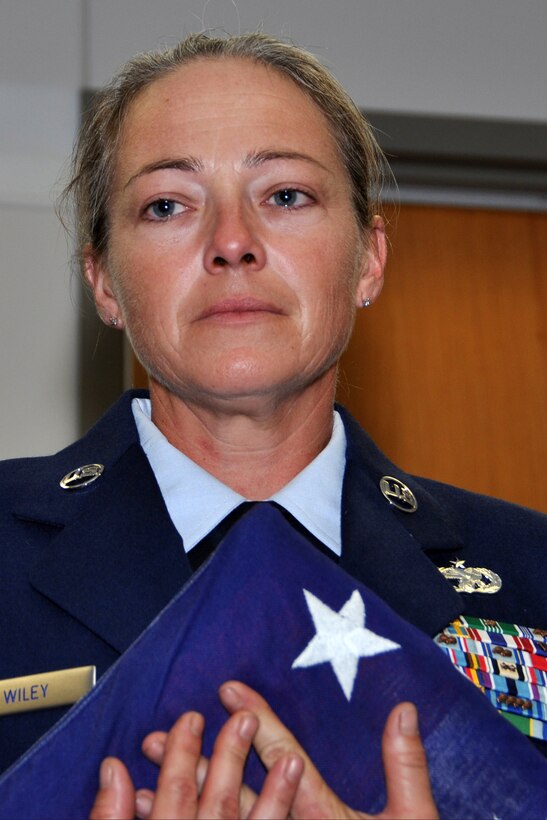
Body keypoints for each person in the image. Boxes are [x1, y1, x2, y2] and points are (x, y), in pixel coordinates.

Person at [0, 30, 545, 817]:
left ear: (367, 259)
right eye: (167, 205)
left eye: (285, 195)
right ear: (104, 282)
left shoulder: (531, 570)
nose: (231, 243)